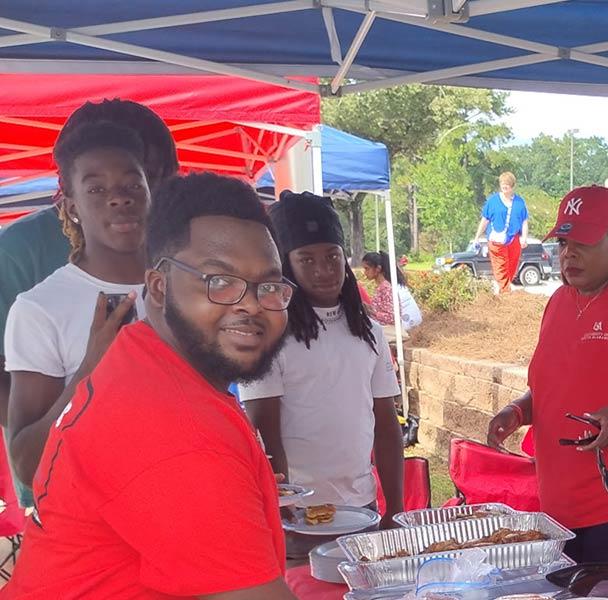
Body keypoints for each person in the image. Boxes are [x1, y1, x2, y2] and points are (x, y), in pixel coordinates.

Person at [2, 172, 296, 598]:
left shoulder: (142, 360)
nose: (250, 304)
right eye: (219, 282)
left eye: (268, 286)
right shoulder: (179, 430)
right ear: (158, 287)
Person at [485, 185, 608, 563]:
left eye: (583, 242)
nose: (569, 253)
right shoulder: (559, 302)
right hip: (557, 511)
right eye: (564, 243)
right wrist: (516, 412)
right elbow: (551, 389)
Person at [0, 99, 177, 507]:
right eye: (97, 186)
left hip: (179, 500)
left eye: (138, 180)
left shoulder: (184, 278)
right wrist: (91, 376)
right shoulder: (25, 265)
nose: (120, 198)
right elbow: (28, 457)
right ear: (70, 199)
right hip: (75, 500)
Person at [240, 191, 405, 555]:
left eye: (332, 256)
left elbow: (386, 424)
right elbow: (265, 433)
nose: (324, 270)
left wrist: (395, 508)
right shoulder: (269, 334)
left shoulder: (369, 331)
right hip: (298, 515)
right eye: (307, 260)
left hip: (361, 509)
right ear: (286, 265)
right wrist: (283, 506)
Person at [474, 171, 529, 294]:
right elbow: (484, 220)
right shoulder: (492, 201)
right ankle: (505, 292)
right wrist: (477, 237)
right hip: (496, 239)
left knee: (511, 267)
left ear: (512, 186)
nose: (504, 187)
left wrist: (524, 238)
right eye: (503, 184)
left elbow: (524, 221)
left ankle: (504, 289)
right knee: (500, 266)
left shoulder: (520, 203)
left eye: (507, 185)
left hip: (514, 239)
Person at [362, 251, 422, 331]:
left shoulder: (386, 288)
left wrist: (373, 312)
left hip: (392, 330)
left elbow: (392, 317)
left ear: (378, 269)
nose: (365, 272)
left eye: (367, 269)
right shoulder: (382, 287)